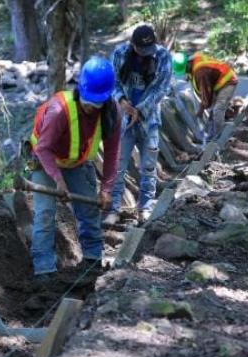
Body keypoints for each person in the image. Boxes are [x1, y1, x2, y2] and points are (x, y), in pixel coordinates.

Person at [28, 56, 121, 276]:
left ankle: (92, 262)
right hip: (45, 162)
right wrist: (58, 180)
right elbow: (43, 148)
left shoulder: (111, 112)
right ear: (81, 91)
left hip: (77, 163)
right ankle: (44, 270)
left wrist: (106, 189)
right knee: (45, 214)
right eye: (89, 103)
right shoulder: (59, 111)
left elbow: (112, 152)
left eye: (98, 104)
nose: (93, 109)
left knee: (89, 210)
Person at [106, 25, 172, 225]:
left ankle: (145, 207)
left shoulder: (162, 57)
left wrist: (140, 110)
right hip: (123, 120)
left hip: (149, 120)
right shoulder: (119, 54)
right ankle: (114, 208)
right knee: (118, 165)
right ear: (132, 44)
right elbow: (112, 82)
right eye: (141, 49)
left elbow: (162, 88)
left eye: (149, 49)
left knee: (149, 167)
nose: (146, 53)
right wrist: (123, 102)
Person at [186, 52, 238, 142]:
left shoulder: (200, 73)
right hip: (218, 82)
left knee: (218, 110)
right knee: (214, 112)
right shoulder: (194, 63)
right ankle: (210, 135)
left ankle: (219, 138)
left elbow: (206, 96)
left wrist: (201, 110)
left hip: (228, 81)